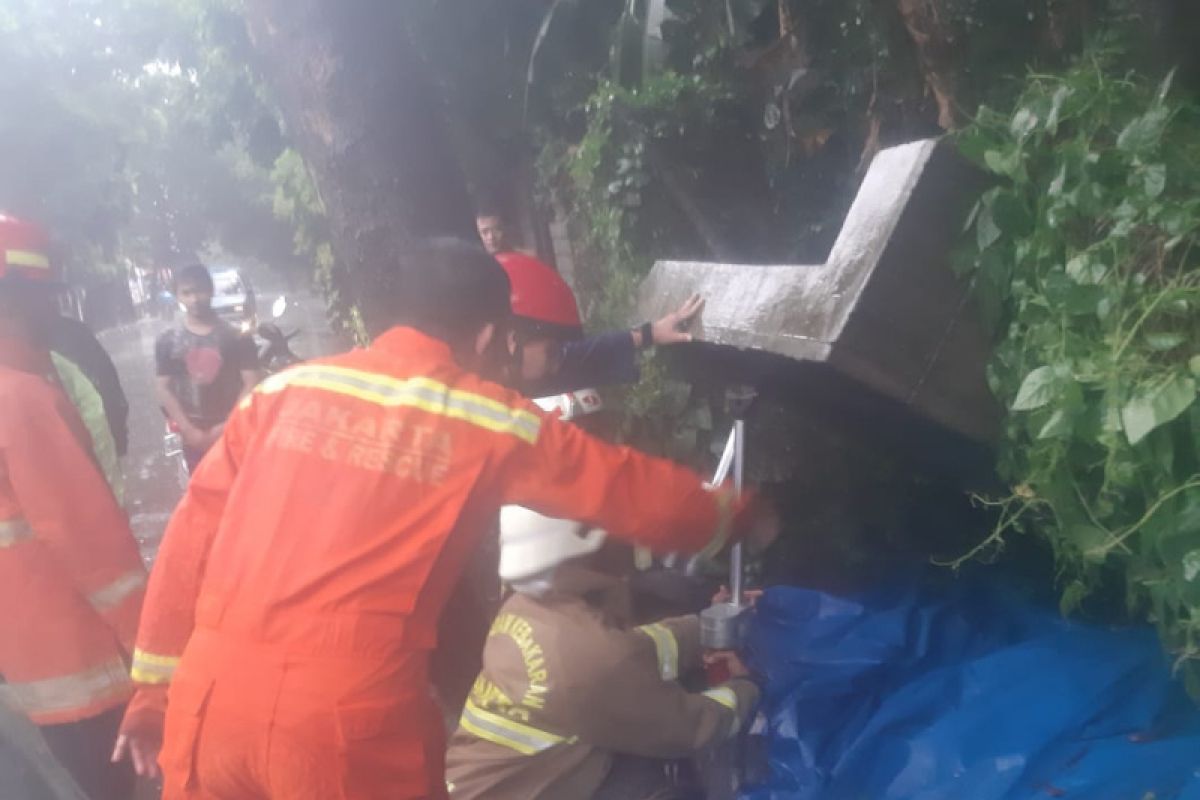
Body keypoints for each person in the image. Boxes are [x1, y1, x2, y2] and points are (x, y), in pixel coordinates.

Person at [113, 238, 775, 800]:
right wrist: (737, 515)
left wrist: (150, 692)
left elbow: (187, 539)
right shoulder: (482, 416)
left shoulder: (283, 392)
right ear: (489, 335)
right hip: (339, 734)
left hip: (208, 706)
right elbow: (628, 491)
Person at [445, 504, 760, 800]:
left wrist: (706, 626)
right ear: (581, 545)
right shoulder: (588, 658)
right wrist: (745, 688)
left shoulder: (526, 607)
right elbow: (686, 727)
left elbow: (630, 651)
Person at [0, 224, 146, 800]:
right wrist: (156, 649)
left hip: (23, 669)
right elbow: (91, 542)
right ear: (19, 297)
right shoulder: (22, 397)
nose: (55, 308)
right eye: (48, 294)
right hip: (81, 668)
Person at [477, 210, 704, 396]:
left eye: (494, 229)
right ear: (511, 342)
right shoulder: (487, 403)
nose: (559, 359)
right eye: (551, 353)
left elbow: (587, 352)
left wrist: (651, 333)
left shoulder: (538, 369)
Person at [155, 263, 260, 469]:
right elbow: (163, 387)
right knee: (202, 492)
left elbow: (252, 382)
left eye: (200, 290)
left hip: (234, 430)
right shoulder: (167, 340)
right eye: (187, 293)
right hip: (191, 434)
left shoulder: (237, 336)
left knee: (239, 488)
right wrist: (189, 431)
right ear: (177, 296)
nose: (195, 299)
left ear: (211, 290)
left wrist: (228, 426)